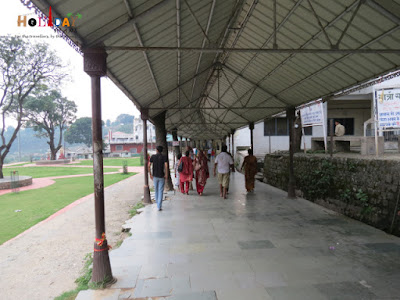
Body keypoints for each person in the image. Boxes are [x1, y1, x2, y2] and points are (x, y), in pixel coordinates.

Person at [149, 146, 168, 211]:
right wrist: (166, 174)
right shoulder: (164, 157)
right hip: (161, 176)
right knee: (160, 191)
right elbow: (166, 166)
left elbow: (149, 165)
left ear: (156, 150)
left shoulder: (153, 156)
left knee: (156, 190)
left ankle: (157, 203)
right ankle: (159, 206)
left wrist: (150, 174)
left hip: (155, 176)